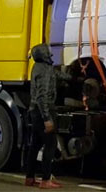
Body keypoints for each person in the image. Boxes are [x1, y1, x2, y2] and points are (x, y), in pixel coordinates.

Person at [24, 43, 70, 189]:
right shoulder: (44, 70)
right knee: (50, 145)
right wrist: (47, 119)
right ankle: (45, 180)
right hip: (43, 111)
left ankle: (30, 178)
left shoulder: (40, 67)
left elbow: (58, 75)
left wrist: (74, 77)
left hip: (34, 110)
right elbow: (41, 97)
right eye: (48, 52)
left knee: (35, 145)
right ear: (43, 54)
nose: (50, 54)